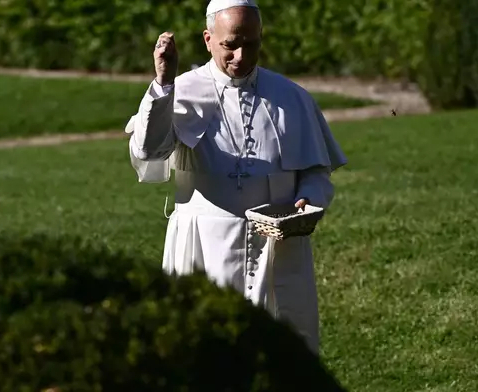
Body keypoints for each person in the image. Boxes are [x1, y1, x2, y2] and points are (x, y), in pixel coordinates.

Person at [124, 0, 347, 354]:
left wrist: (309, 199)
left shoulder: (291, 97)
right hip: (203, 243)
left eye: (252, 44)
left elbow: (317, 171)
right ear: (208, 39)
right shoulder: (180, 90)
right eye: (230, 45)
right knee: (203, 349)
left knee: (280, 352)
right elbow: (149, 152)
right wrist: (163, 85)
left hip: (279, 245)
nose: (241, 56)